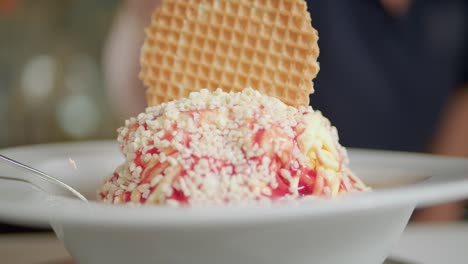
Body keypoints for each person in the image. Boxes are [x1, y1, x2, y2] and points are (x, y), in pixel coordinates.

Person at [104, 0, 468, 221]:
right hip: (237, 205)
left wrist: (433, 221)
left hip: (396, 214)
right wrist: (142, 18)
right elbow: (136, 84)